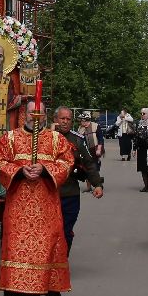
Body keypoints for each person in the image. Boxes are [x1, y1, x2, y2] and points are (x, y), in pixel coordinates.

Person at [0, 98, 75, 296]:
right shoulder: (10, 138)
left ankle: (53, 289)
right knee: (18, 252)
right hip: (18, 208)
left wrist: (45, 169)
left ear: (45, 115)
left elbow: (67, 162)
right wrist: (20, 171)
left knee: (48, 250)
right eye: (31, 113)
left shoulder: (56, 139)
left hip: (46, 208)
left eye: (39, 114)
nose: (35, 117)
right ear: (24, 114)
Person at [53, 106, 105, 250]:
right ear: (55, 119)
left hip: (70, 194)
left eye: (68, 119)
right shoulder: (45, 138)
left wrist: (97, 184)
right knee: (50, 232)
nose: (65, 122)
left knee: (66, 231)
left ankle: (63, 259)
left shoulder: (78, 140)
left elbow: (89, 163)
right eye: (62, 118)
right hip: (49, 194)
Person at [133, 107, 148, 192]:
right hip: (141, 149)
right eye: (141, 113)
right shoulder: (139, 124)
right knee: (142, 168)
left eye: (144, 113)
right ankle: (145, 186)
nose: (142, 115)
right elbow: (136, 137)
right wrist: (134, 148)